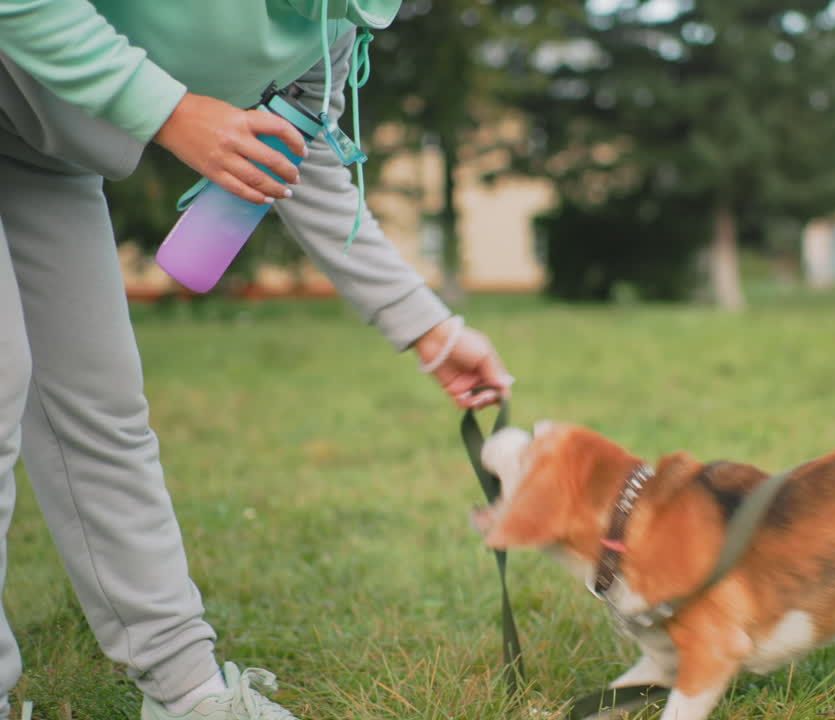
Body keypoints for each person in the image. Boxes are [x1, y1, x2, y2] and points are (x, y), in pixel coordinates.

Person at [1, 3, 512, 718]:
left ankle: (188, 693)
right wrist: (175, 113)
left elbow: (302, 149)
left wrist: (431, 328)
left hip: (43, 159)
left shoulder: (344, 16)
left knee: (102, 406)